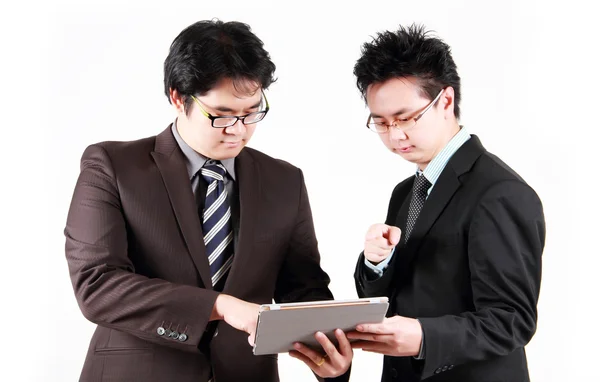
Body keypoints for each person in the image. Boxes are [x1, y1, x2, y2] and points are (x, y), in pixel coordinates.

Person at [64, 19, 352, 382]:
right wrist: (219, 306)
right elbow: (97, 284)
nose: (237, 130)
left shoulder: (285, 181)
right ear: (177, 97)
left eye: (251, 113)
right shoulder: (112, 167)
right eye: (220, 115)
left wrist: (334, 362)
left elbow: (304, 288)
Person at [347, 24, 545, 382]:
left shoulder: (499, 192)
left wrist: (424, 337)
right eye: (381, 122)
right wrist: (377, 262)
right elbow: (394, 297)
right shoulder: (406, 190)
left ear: (446, 100)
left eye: (406, 118)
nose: (396, 135)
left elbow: (512, 320)